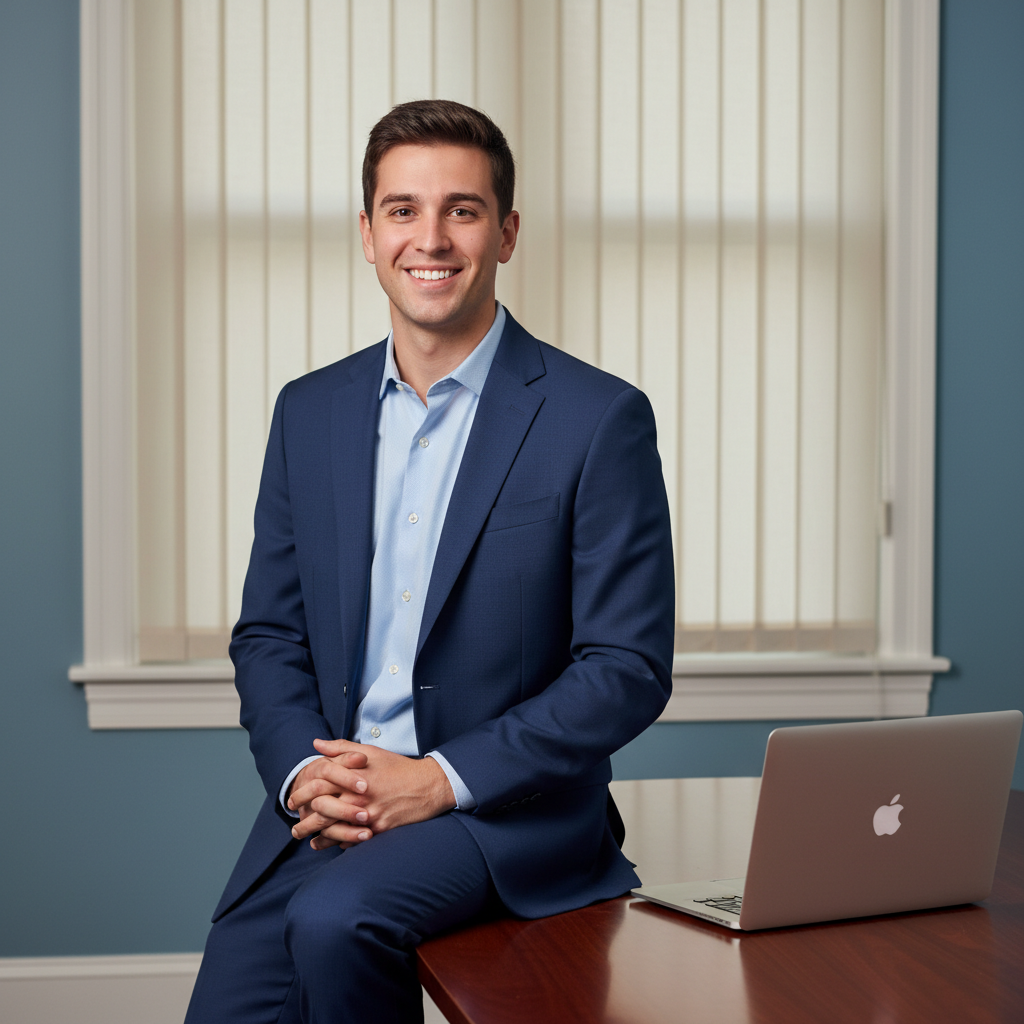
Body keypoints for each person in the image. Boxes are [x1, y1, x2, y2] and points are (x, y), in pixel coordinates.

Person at [185, 99, 675, 1024]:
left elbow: (626, 669)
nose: (433, 237)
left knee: (336, 923)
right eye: (404, 210)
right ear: (368, 235)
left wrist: (436, 778)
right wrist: (304, 775)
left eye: (463, 208)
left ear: (507, 232)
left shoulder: (597, 418)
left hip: (503, 814)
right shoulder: (309, 412)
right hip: (330, 802)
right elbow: (269, 634)